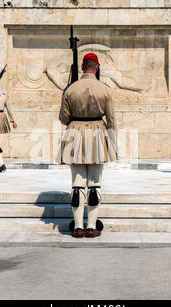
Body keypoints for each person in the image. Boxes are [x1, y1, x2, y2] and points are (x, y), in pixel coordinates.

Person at [57, 53, 117, 238]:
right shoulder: (105, 89)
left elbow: (63, 118)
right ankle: (91, 226)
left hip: (75, 131)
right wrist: (112, 142)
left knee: (77, 183)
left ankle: (77, 226)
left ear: (82, 67)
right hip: (98, 131)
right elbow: (112, 119)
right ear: (96, 67)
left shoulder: (70, 89)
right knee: (95, 183)